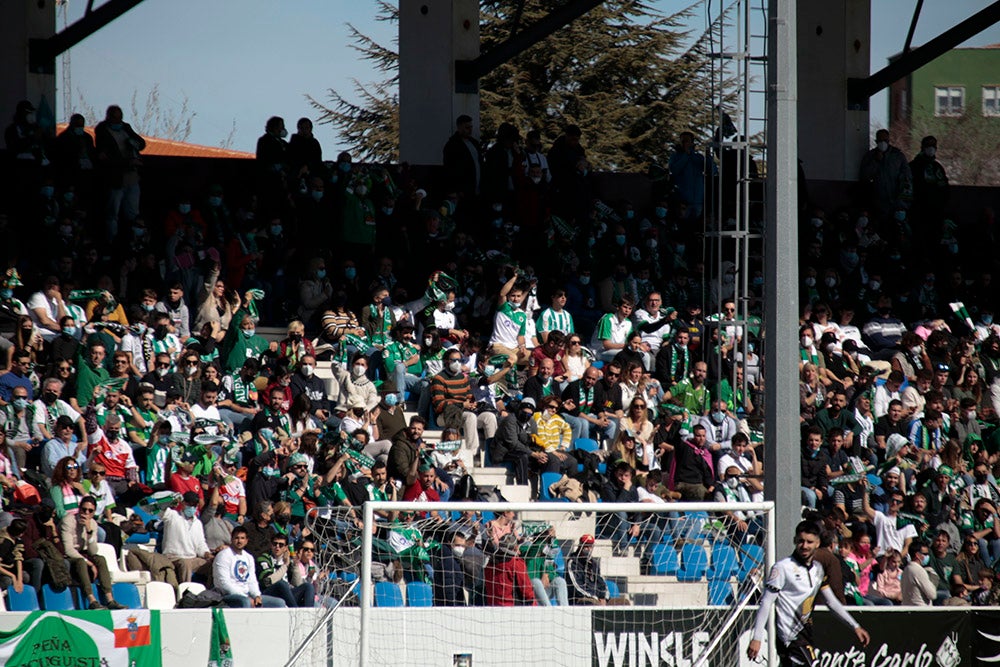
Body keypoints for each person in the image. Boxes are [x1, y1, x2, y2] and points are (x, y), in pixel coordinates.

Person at [747, 521, 870, 664]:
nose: (804, 546)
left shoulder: (818, 569)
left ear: (817, 543)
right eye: (801, 541)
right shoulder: (782, 568)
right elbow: (767, 602)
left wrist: (855, 626)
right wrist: (757, 637)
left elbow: (831, 602)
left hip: (806, 634)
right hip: (790, 637)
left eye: (809, 542)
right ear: (795, 541)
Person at [61, 496, 126, 610]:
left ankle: (110, 599)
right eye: (83, 509)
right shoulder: (69, 521)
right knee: (81, 562)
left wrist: (89, 532)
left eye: (90, 511)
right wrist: (89, 563)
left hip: (83, 552)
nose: (86, 513)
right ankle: (92, 600)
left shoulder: (93, 524)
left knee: (100, 559)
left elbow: (92, 551)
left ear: (93, 512)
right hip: (68, 555)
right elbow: (68, 549)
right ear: (79, 509)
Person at [213, 526, 286, 608]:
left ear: (246, 541)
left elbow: (252, 581)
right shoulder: (224, 555)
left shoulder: (248, 557)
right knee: (245, 602)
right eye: (236, 538)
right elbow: (224, 584)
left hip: (247, 595)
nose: (239, 541)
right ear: (232, 539)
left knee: (279, 603)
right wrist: (245, 597)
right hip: (226, 596)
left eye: (242, 538)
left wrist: (257, 596)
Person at [160, 491, 213, 583]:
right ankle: (185, 592)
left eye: (194, 505)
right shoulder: (172, 516)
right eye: (189, 504)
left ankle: (209, 592)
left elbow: (200, 544)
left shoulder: (198, 523)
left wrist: (207, 554)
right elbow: (159, 508)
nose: (192, 507)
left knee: (213, 565)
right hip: (173, 557)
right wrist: (171, 500)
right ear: (183, 503)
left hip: (192, 558)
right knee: (185, 563)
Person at [483, 533, 534, 607]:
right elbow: (526, 589)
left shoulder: (490, 563)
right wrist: (532, 601)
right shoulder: (515, 563)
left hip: (492, 605)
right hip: (513, 606)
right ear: (516, 547)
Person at [566, 534, 611, 605]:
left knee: (622, 602)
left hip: (597, 597)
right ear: (580, 546)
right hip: (579, 598)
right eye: (586, 546)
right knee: (594, 603)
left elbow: (602, 583)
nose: (589, 549)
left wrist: (604, 597)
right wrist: (595, 597)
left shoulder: (594, 563)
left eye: (591, 546)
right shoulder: (572, 563)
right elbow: (576, 587)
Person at [900, 540, 938, 606]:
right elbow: (932, 595)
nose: (927, 556)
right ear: (917, 555)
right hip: (921, 610)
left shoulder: (906, 570)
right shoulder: (919, 571)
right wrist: (934, 578)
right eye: (925, 554)